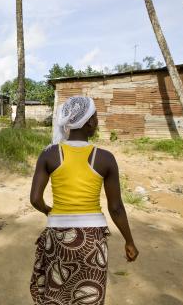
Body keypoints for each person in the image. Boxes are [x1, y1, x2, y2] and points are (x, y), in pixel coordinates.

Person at [29, 96, 138, 305]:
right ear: (90, 122)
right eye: (96, 116)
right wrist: (129, 241)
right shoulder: (105, 158)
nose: (97, 120)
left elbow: (35, 199)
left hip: (58, 237)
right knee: (89, 294)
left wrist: (48, 211)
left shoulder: (49, 154)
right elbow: (115, 208)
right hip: (92, 239)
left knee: (57, 293)